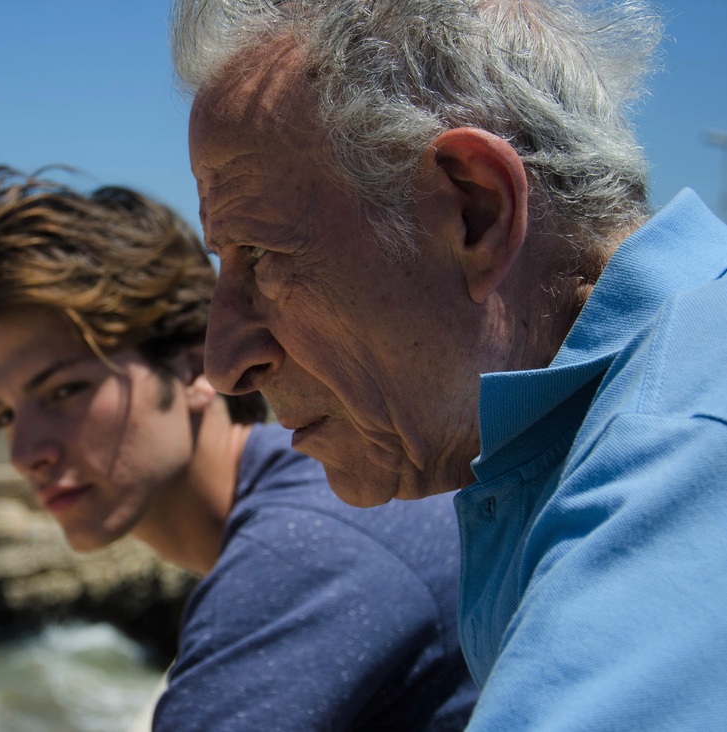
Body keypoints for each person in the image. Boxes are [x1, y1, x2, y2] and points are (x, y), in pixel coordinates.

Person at [173, 0, 727, 728]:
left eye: (264, 256)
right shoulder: (600, 415)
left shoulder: (680, 448)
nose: (222, 364)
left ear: (475, 211)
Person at [0, 165, 477, 730]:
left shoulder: (300, 554)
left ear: (197, 368)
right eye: (2, 414)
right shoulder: (311, 502)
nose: (25, 453)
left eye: (65, 390)